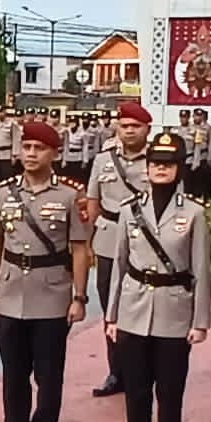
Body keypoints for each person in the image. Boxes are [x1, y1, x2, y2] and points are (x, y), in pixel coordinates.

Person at [106, 131, 211, 422]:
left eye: (167, 164)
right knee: (136, 392)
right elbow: (119, 266)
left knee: (169, 393)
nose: (160, 169)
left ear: (179, 169)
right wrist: (112, 316)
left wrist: (200, 322)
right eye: (154, 164)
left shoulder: (194, 213)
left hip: (174, 312)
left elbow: (201, 270)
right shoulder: (129, 210)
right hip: (134, 310)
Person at [0, 119, 90, 422]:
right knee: (13, 375)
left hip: (52, 295)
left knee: (48, 376)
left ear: (54, 154)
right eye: (26, 147)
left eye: (39, 149)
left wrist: (79, 296)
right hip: (12, 293)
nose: (30, 154)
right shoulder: (3, 192)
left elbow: (79, 249)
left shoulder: (70, 195)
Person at [86, 101, 152, 399]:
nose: (128, 131)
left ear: (147, 129)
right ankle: (117, 372)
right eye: (124, 126)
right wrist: (87, 243)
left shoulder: (157, 159)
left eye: (135, 127)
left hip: (145, 241)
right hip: (108, 238)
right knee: (110, 305)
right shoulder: (103, 160)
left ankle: (142, 370)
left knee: (141, 305)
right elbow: (92, 200)